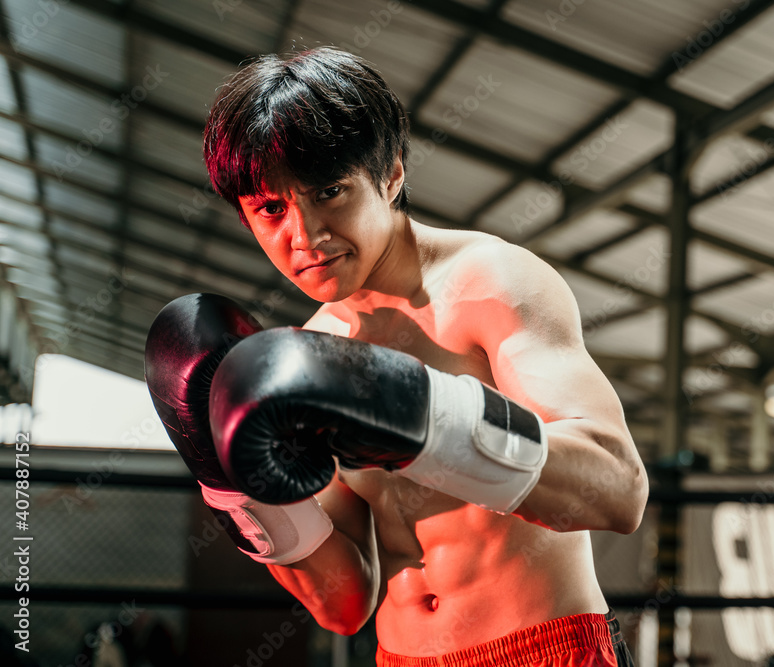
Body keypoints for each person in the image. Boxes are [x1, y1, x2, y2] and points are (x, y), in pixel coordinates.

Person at [150, 47, 647, 666]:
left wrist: (418, 415)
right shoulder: (307, 356)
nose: (304, 236)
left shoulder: (490, 283)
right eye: (271, 209)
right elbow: (344, 603)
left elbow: (618, 490)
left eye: (329, 191)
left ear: (391, 174)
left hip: (542, 649)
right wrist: (230, 488)